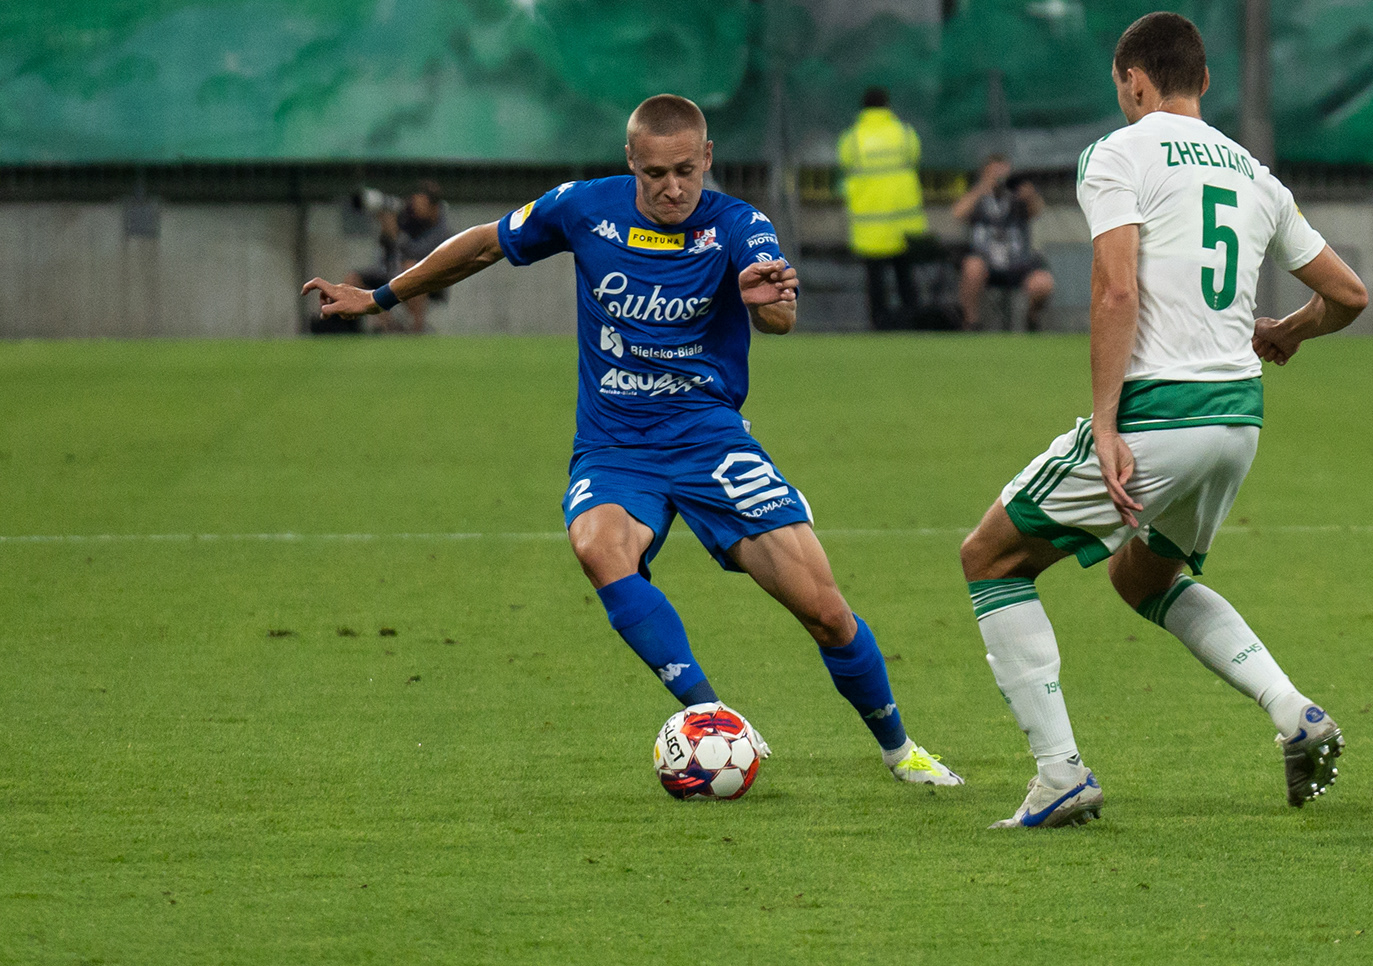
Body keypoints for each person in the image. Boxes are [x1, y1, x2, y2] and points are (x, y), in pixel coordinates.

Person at [303, 95, 962, 789]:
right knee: (597, 544)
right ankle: (708, 714)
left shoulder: (741, 225)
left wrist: (770, 304)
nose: (672, 187)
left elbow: (778, 316)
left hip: (711, 441)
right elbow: (486, 243)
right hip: (616, 446)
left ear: (707, 159)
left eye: (685, 170)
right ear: (631, 163)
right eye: (654, 173)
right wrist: (379, 297)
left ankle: (900, 750)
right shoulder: (584, 208)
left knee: (826, 611)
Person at [956, 12, 1369, 828]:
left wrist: (1106, 425)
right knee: (1141, 575)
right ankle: (1294, 714)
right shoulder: (1256, 174)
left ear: (1134, 82)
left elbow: (1114, 289)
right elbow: (1350, 295)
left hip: (1159, 416)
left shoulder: (1120, 151)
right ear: (1204, 82)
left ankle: (1060, 773)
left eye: (1124, 88)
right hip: (1237, 423)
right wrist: (1286, 331)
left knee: (991, 559)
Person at [837, 87, 928, 330]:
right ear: (888, 105)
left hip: (869, 224)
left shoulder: (852, 139)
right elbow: (916, 158)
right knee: (905, 277)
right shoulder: (905, 134)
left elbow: (845, 166)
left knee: (875, 280)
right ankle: (913, 322)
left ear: (863, 108)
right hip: (903, 221)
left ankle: (880, 324)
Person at [952, 155, 1054, 332]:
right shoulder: (979, 196)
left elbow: (1037, 210)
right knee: (972, 266)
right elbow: (958, 214)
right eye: (994, 172)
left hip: (1018, 263)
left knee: (1043, 282)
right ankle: (971, 323)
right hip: (987, 262)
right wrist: (983, 187)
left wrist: (1029, 195)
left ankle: (1032, 319)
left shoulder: (1017, 197)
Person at [379, 182, 452, 333]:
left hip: (430, 280)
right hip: (394, 273)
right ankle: (388, 328)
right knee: (355, 278)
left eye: (421, 203)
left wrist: (396, 235)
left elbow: (418, 253)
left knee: (412, 269)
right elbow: (385, 249)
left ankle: (416, 331)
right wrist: (387, 230)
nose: (415, 207)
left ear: (433, 206)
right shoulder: (409, 220)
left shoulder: (441, 229)